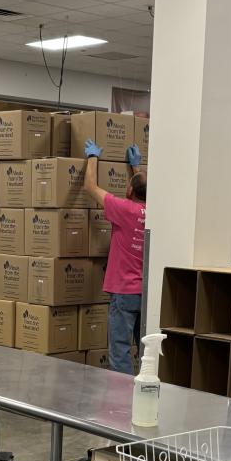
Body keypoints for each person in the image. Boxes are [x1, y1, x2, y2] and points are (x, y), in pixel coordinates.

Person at [83, 139, 146, 375]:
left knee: (119, 352)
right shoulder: (154, 212)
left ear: (129, 191)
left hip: (124, 291)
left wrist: (92, 157)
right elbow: (143, 190)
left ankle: (122, 394)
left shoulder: (123, 209)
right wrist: (136, 168)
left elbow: (90, 187)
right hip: (145, 292)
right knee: (146, 351)